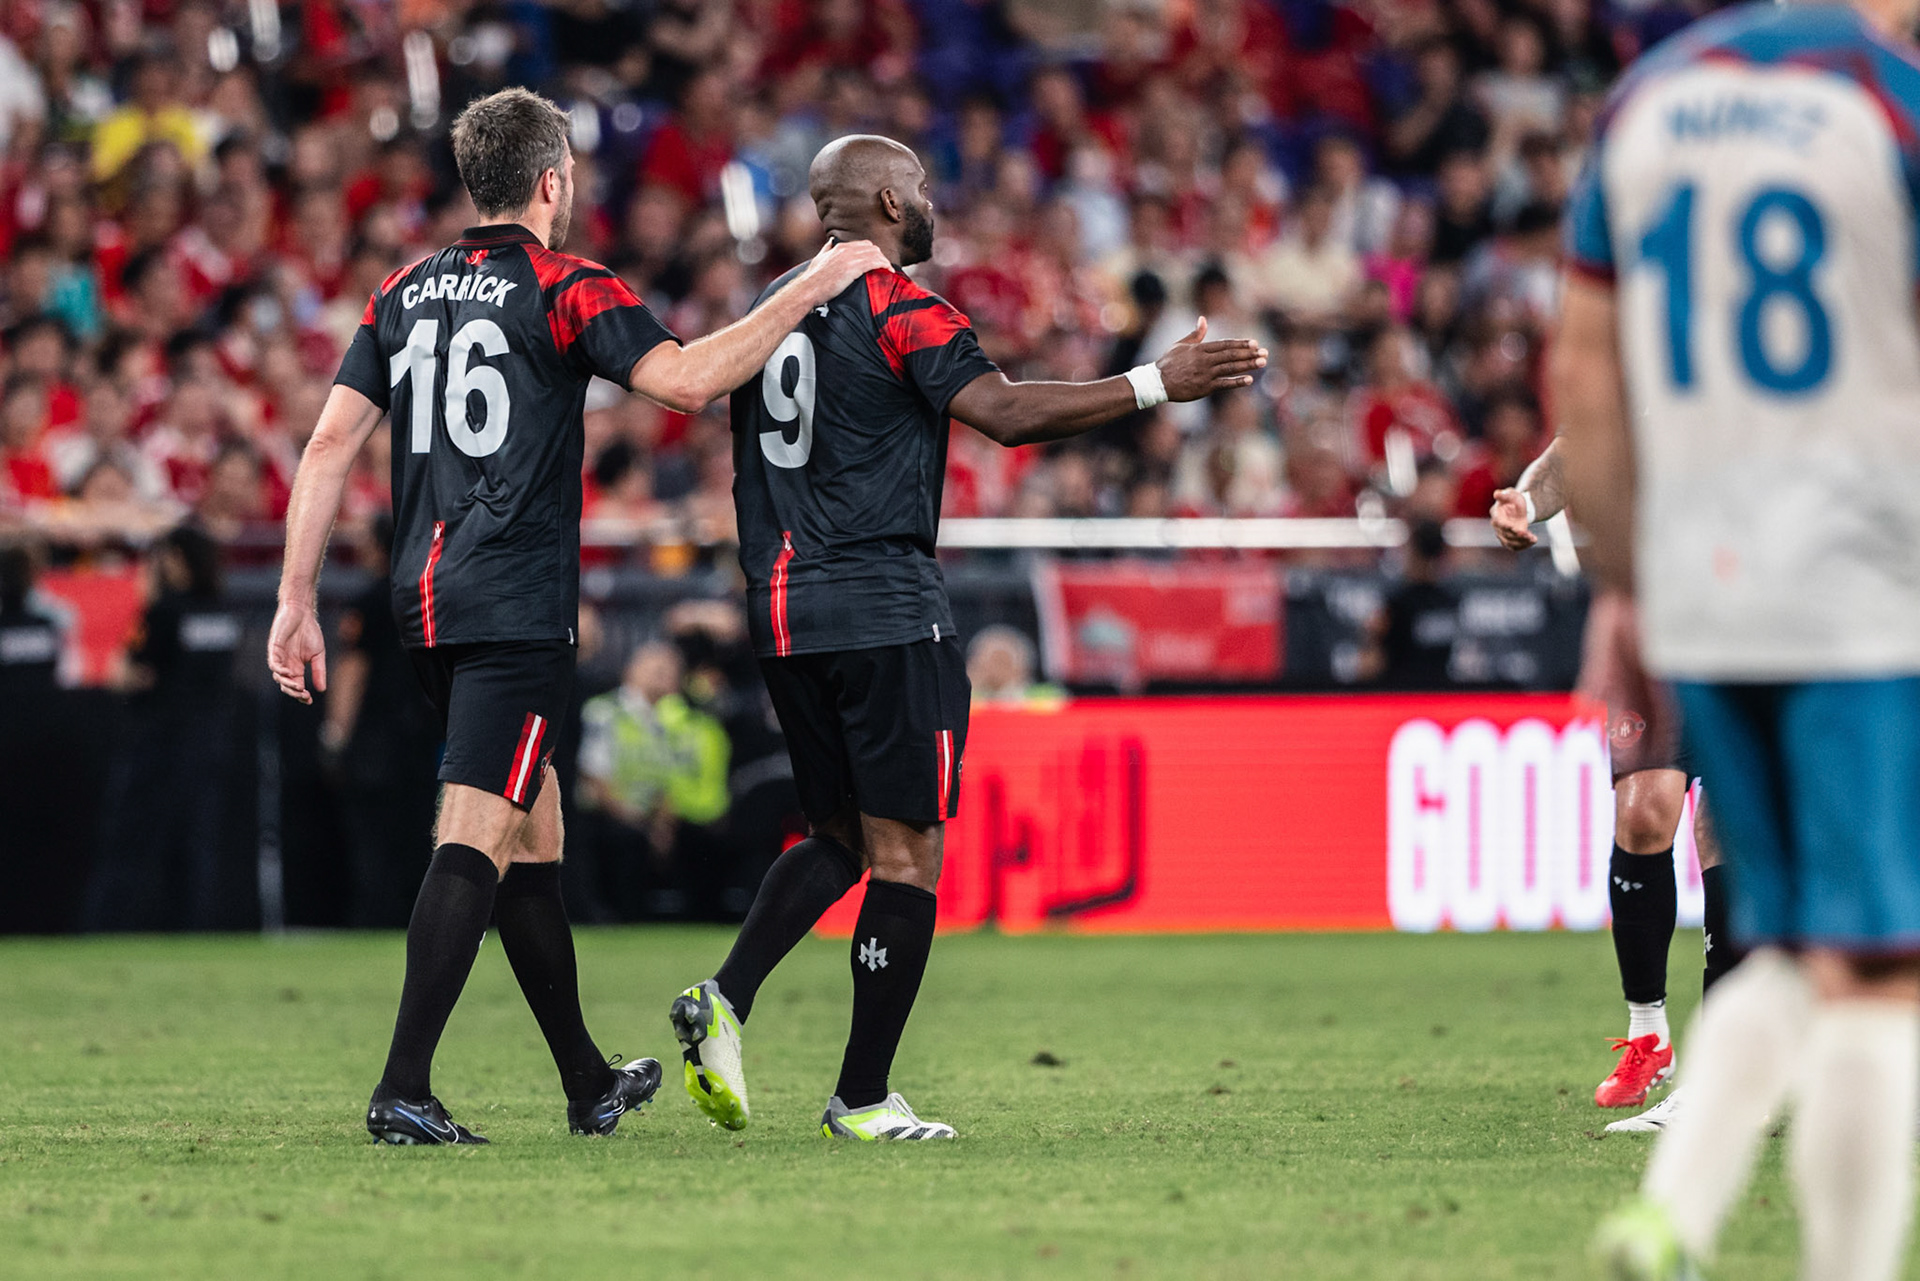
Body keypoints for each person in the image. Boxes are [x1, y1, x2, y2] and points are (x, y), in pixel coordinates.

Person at [265, 86, 891, 1146]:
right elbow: (688, 383)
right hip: (511, 605)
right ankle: (402, 1087)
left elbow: (328, 447)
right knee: (475, 831)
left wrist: (295, 598)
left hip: (426, 599)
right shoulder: (567, 286)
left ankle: (586, 1079)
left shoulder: (403, 290)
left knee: (531, 832)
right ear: (553, 180)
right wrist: (819, 281)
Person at [668, 133, 1265, 1143]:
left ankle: (724, 998)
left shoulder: (771, 312)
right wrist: (1156, 383)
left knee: (840, 838)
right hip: (883, 602)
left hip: (782, 610)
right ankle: (861, 1098)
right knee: (908, 857)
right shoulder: (901, 304)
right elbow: (1007, 414)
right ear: (893, 200)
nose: (934, 204)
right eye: (927, 188)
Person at [1558, 4, 1920, 1276]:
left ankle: (1674, 1209)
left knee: (1778, 917)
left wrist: (1621, 580)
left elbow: (1591, 374)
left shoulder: (1650, 101)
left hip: (1703, 581)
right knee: (1880, 969)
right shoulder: (1888, 104)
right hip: (1861, 583)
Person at [1491, 437, 1744, 1134]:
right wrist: (1527, 500)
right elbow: (1573, 452)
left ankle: (1720, 1077)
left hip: (1754, 617)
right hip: (1655, 622)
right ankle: (1648, 1036)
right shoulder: (1649, 364)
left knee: (1723, 824)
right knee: (1641, 814)